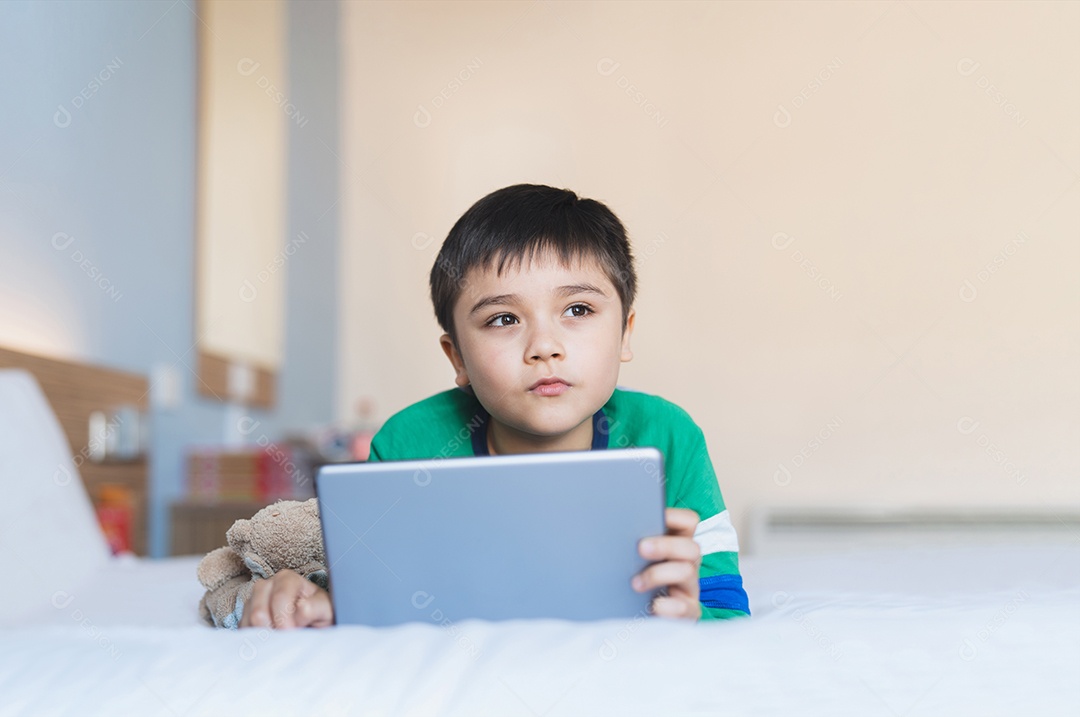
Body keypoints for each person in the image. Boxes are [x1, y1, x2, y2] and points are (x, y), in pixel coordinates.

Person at [241, 184, 750, 628]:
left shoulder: (668, 435)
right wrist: (308, 602)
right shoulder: (407, 445)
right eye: (503, 320)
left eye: (578, 309)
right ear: (457, 357)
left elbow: (727, 609)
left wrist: (693, 615)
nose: (543, 346)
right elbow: (369, 604)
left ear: (625, 333)